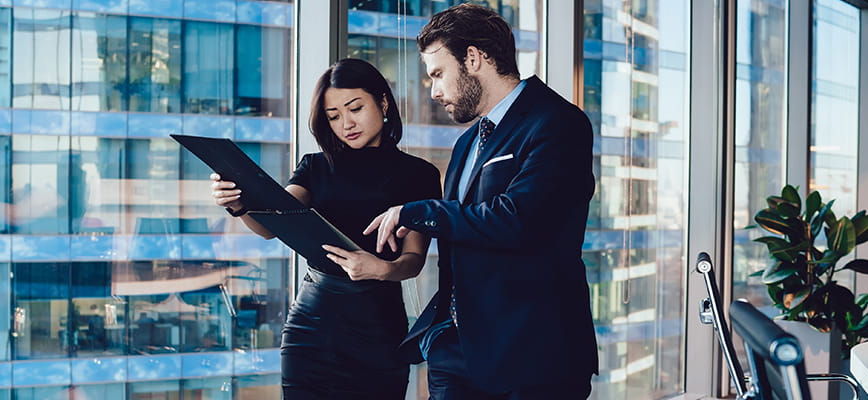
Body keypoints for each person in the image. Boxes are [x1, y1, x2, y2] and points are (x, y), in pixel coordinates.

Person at [362, 4, 598, 399]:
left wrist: (419, 212)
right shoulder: (466, 143)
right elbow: (467, 227)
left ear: (473, 58)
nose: (434, 91)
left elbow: (518, 220)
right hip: (456, 355)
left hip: (534, 359)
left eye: (438, 74)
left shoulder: (558, 122)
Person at [209, 58, 441, 399]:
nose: (346, 123)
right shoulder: (316, 166)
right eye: (333, 116)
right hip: (312, 327)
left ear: (383, 102)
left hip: (378, 330)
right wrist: (238, 204)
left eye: (355, 108)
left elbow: (414, 259)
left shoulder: (419, 174)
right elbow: (272, 223)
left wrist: (382, 269)